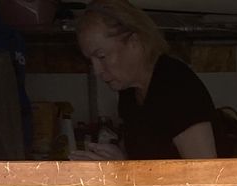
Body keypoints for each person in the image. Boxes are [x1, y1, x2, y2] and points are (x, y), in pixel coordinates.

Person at [73, 0, 217, 160]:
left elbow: (204, 177)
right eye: (90, 61)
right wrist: (120, 163)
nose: (97, 71)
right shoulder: (129, 93)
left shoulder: (176, 86)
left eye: (101, 56)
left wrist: (126, 170)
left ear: (134, 42)